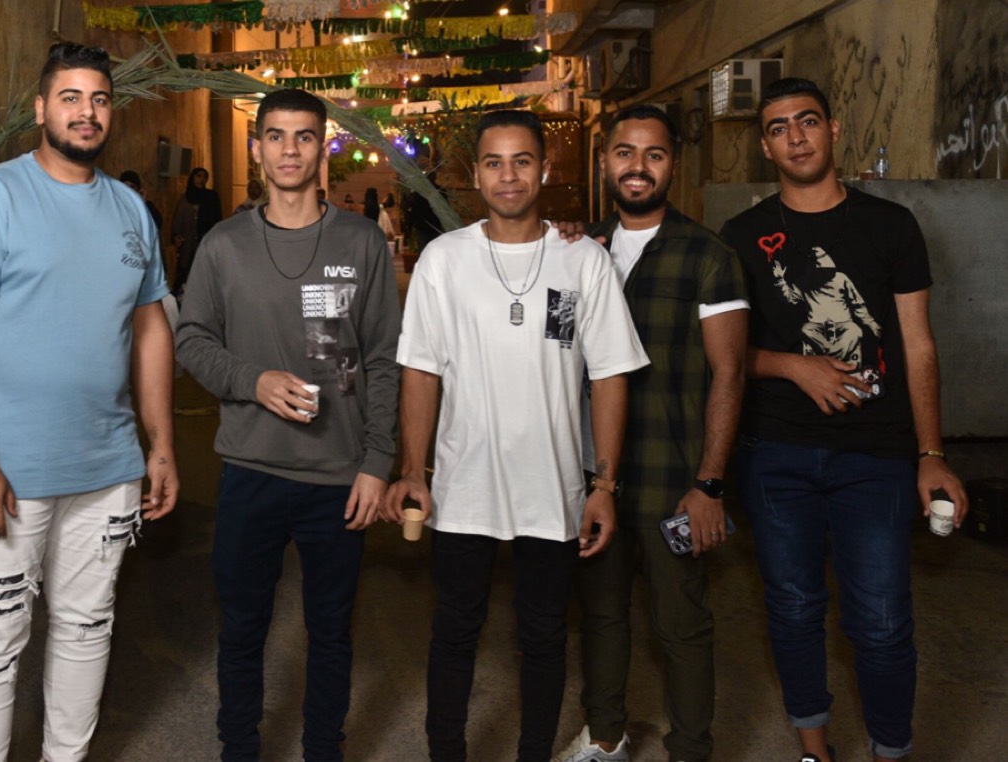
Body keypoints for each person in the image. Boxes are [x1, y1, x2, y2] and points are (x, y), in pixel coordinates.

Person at [0, 42, 178, 761]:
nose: (86, 112)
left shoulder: (130, 210)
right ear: (41, 109)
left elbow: (150, 329)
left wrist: (161, 445)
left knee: (86, 627)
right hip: (10, 472)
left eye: (99, 99)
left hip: (108, 467)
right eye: (70, 97)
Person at [384, 110, 649, 762]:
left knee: (544, 637)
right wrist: (413, 469)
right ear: (476, 175)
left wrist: (604, 483)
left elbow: (610, 375)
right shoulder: (444, 260)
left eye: (522, 161)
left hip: (552, 487)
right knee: (455, 631)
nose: (508, 176)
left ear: (545, 170)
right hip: (464, 485)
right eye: (494, 163)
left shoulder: (583, 259)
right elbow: (421, 371)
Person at [719, 78, 968, 762]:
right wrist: (794, 367)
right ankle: (814, 750)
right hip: (775, 452)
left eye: (807, 121)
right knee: (794, 609)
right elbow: (723, 354)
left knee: (882, 622)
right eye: (778, 127)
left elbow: (918, 345)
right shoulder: (742, 237)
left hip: (876, 454)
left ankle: (890, 750)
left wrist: (931, 454)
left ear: (833, 130)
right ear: (765, 145)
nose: (795, 136)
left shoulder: (890, 225)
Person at [175, 88, 401, 762]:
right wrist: (253, 381)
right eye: (275, 136)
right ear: (257, 149)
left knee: (330, 633)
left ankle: (323, 750)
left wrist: (378, 462)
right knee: (242, 629)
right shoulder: (224, 245)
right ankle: (238, 749)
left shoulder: (362, 241)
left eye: (304, 136)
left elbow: (384, 358)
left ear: (321, 146)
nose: (289, 150)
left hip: (340, 477)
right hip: (252, 471)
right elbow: (191, 339)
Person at [554, 106, 748, 762]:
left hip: (672, 477)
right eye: (625, 152)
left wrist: (709, 483)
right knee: (600, 615)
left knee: (681, 625)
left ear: (673, 165)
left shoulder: (708, 256)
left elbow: (729, 374)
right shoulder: (576, 251)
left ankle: (691, 749)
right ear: (604, 161)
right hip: (591, 474)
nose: (638, 167)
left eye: (654, 154)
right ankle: (605, 737)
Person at [172, 166, 223, 292]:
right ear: (192, 178)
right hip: (187, 244)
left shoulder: (211, 197)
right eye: (198, 176)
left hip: (205, 242)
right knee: (185, 275)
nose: (201, 179)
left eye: (204, 177)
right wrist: (176, 235)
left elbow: (216, 220)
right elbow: (178, 218)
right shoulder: (185, 198)